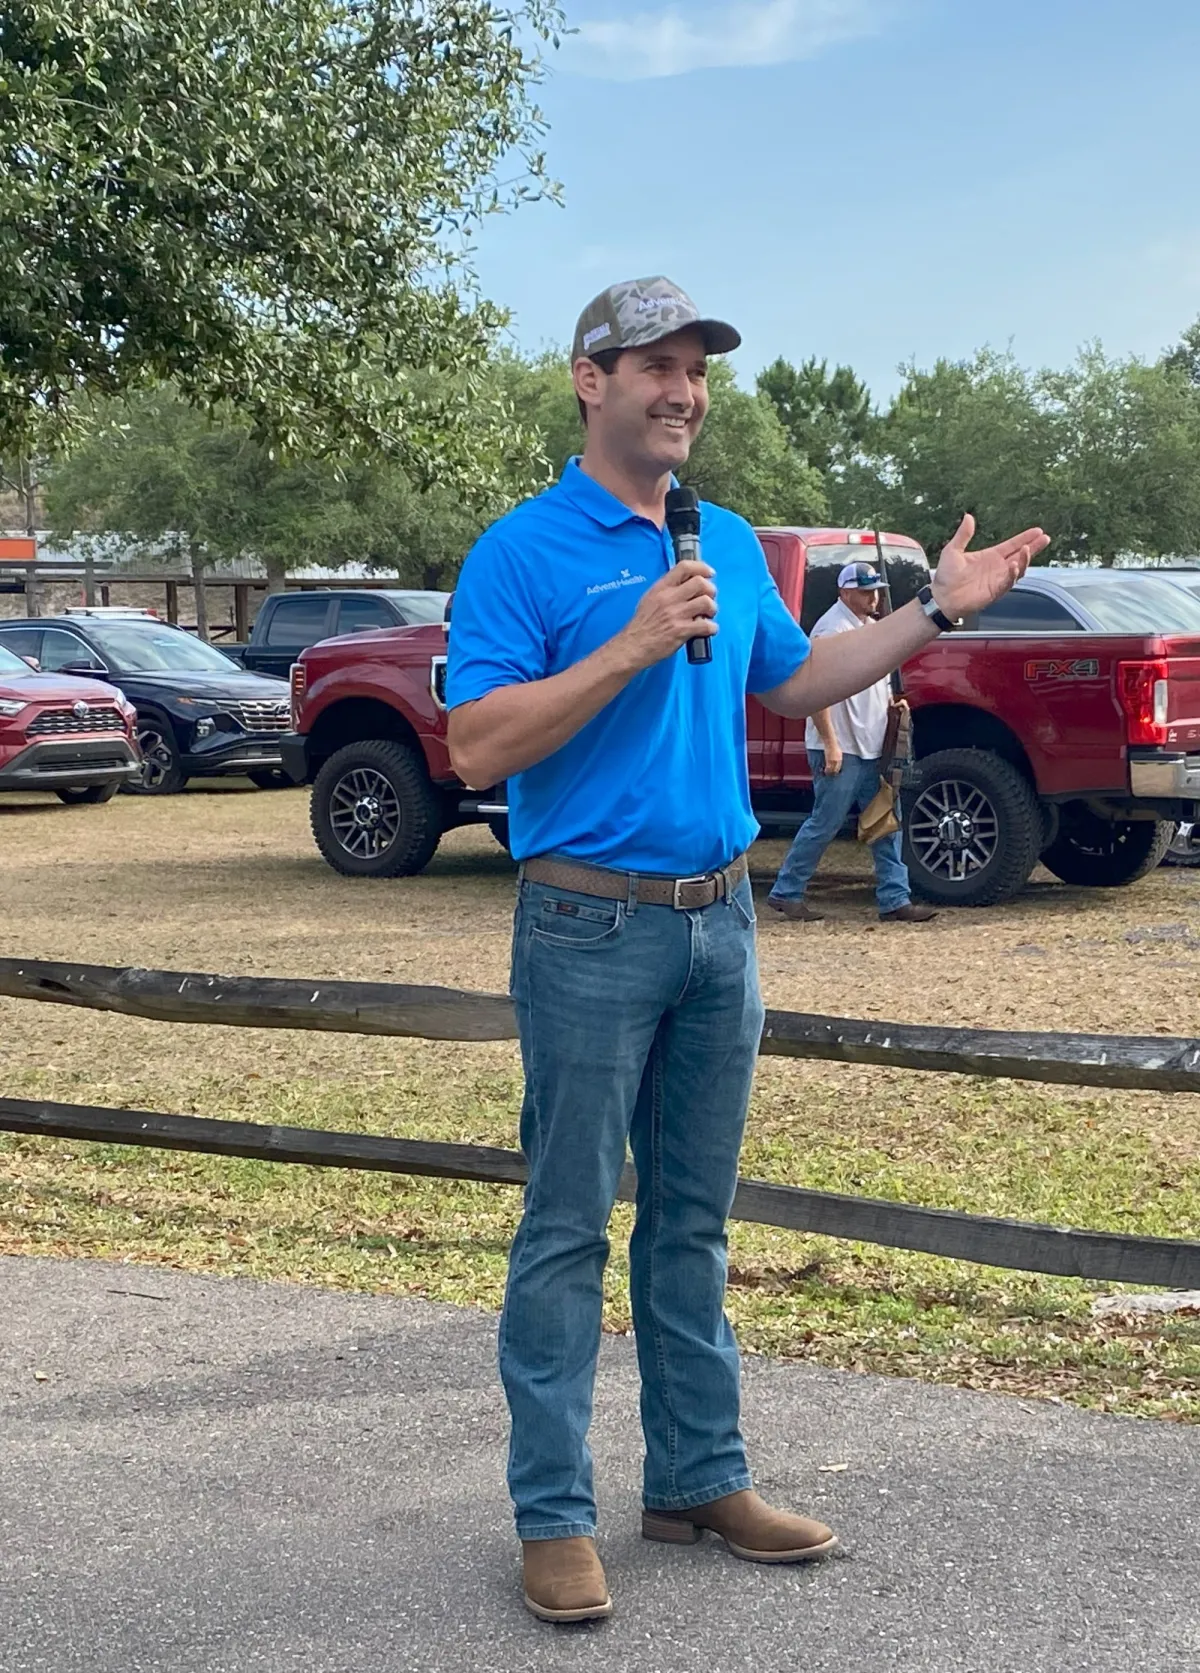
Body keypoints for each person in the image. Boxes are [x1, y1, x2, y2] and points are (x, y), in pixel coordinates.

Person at [445, 274, 1049, 1624]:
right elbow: (477, 745)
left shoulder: (704, 535)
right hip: (587, 920)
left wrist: (936, 610)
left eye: (696, 369)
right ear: (589, 382)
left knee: (693, 1224)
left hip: (719, 924)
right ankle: (552, 1513)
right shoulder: (523, 552)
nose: (683, 390)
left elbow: (795, 680)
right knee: (564, 1228)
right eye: (652, 365)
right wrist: (630, 644)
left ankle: (696, 1480)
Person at [767, 560, 936, 924]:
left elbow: (872, 684)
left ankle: (895, 898)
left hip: (871, 746)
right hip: (844, 746)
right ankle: (786, 891)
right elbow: (818, 692)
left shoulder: (868, 629)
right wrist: (830, 743)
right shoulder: (831, 630)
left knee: (885, 822)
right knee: (825, 823)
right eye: (865, 591)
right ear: (845, 593)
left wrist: (893, 704)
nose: (874, 597)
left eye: (875, 590)